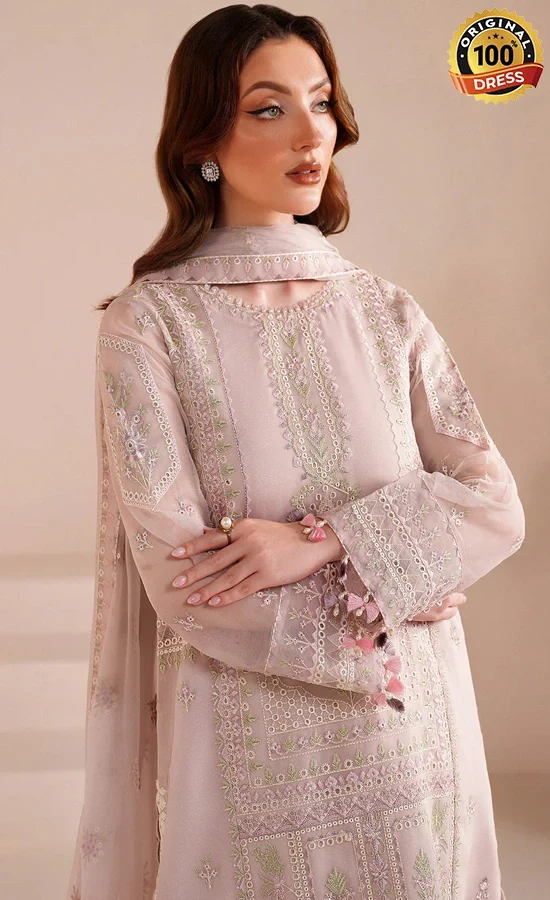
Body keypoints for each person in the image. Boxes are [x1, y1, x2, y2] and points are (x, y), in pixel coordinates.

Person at [65, 6, 524, 899]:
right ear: (202, 139)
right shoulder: (149, 325)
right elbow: (184, 583)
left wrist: (320, 543)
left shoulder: (387, 312)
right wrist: (396, 595)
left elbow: (493, 503)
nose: (313, 132)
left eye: (321, 102)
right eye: (269, 108)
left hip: (416, 746)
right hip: (246, 755)